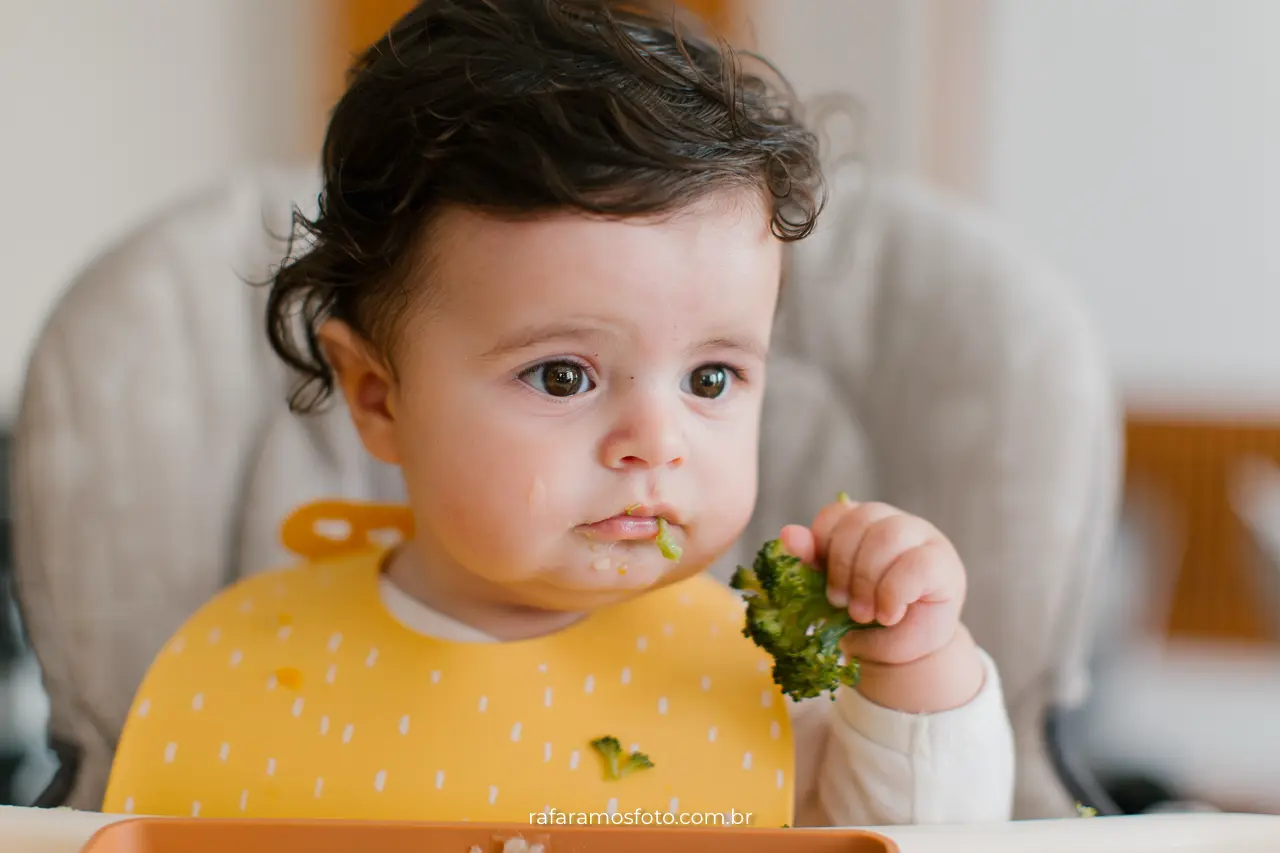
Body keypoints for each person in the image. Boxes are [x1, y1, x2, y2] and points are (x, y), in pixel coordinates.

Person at [101, 0, 1014, 827]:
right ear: (378, 394)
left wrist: (913, 670)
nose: (656, 442)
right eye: (564, 377)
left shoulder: (754, 685)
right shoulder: (257, 674)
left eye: (709, 379)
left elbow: (923, 839)